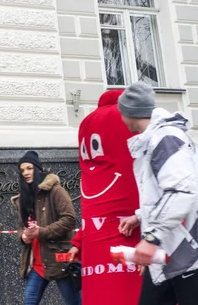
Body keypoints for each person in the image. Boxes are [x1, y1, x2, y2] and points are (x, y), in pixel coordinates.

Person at [117, 82, 198, 305]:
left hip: (187, 251)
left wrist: (150, 238)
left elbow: (181, 192)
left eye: (121, 112)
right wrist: (140, 217)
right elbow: (164, 192)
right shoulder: (160, 138)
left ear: (130, 113)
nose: (121, 118)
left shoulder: (165, 139)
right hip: (172, 250)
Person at [68, 89, 143, 305]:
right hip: (131, 234)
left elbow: (94, 211)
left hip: (95, 242)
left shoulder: (87, 123)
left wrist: (79, 241)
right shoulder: (128, 119)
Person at [11, 150, 81, 305]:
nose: (26, 173)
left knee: (74, 302)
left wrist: (40, 232)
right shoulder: (24, 197)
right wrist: (23, 236)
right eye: (22, 170)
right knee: (29, 301)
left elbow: (70, 220)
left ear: (38, 169)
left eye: (29, 168)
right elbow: (21, 226)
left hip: (59, 259)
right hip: (36, 262)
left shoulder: (55, 191)